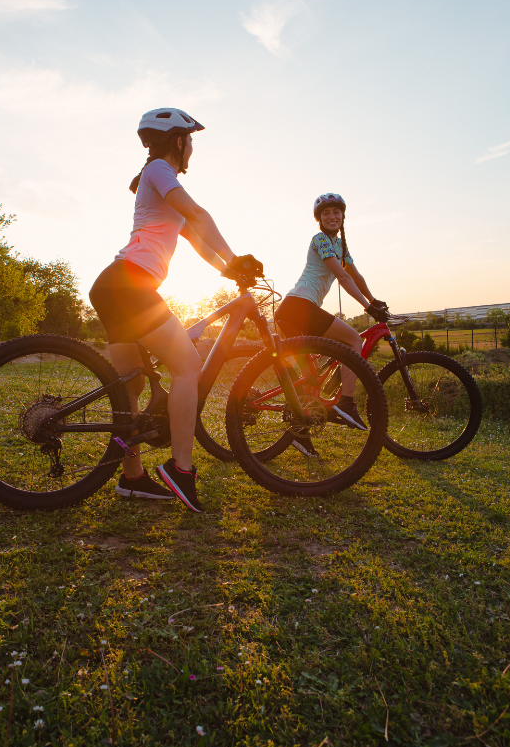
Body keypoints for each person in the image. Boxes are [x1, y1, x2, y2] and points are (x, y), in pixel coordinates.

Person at [89, 108, 260, 513]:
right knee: (187, 366)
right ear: (178, 141)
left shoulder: (160, 184)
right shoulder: (159, 170)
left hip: (113, 285)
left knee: (128, 387)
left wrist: (227, 271)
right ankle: (182, 469)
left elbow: (196, 238)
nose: (193, 149)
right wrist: (236, 258)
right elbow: (201, 215)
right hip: (131, 283)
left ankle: (132, 479)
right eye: (191, 140)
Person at [274, 192, 389, 455]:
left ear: (342, 216)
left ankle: (299, 434)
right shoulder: (321, 240)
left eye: (336, 212)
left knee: (309, 377)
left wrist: (374, 299)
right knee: (353, 340)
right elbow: (341, 276)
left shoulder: (341, 247)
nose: (332, 216)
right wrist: (367, 307)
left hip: (295, 310)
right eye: (326, 213)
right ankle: (345, 404)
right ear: (319, 219)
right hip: (298, 307)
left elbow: (354, 275)